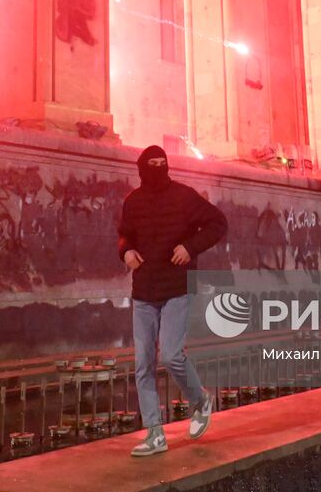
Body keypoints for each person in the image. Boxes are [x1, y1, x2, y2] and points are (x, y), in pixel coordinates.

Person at [117, 145, 228, 457]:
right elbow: (124, 235)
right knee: (143, 365)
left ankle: (200, 400)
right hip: (143, 291)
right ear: (141, 167)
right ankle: (154, 433)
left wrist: (190, 247)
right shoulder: (133, 201)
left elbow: (218, 223)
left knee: (171, 355)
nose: (157, 168)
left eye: (161, 163)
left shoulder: (184, 196)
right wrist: (125, 252)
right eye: (151, 164)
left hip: (177, 286)